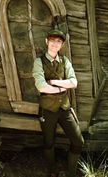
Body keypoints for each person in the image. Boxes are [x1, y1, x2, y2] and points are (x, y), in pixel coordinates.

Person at [32, 29, 84, 177]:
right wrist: (63, 87)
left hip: (65, 107)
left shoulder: (65, 61)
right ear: (47, 42)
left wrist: (54, 83)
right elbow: (41, 86)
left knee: (78, 141)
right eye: (53, 40)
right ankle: (52, 170)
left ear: (61, 45)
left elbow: (74, 83)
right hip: (47, 109)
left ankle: (71, 172)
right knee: (48, 142)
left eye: (59, 42)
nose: (55, 44)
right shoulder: (39, 62)